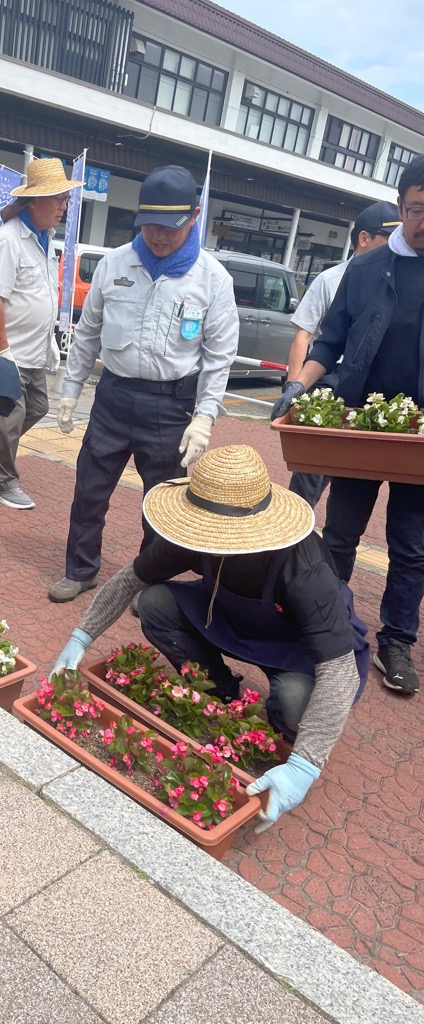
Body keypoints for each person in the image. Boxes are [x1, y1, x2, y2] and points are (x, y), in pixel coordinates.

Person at [52, 444, 369, 832]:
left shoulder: (304, 566)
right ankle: (221, 694)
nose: (212, 542)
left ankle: (279, 738)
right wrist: (81, 637)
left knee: (293, 704)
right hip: (228, 617)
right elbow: (129, 580)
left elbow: (340, 670)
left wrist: (305, 764)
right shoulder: (193, 533)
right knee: (154, 602)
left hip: (297, 646)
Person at [49, 165, 239, 603]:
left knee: (162, 505)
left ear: (194, 217)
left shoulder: (212, 280)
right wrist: (70, 389)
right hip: (113, 397)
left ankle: (146, 582)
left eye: (168, 227)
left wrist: (204, 418)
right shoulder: (116, 264)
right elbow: (88, 331)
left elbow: (218, 357)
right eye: (149, 225)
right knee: (89, 492)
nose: (157, 236)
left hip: (170, 407)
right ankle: (80, 570)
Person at [272, 155, 424, 697]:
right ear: (403, 203)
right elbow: (330, 341)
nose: (423, 221)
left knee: (412, 547)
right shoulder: (366, 270)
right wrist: (301, 385)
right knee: (340, 533)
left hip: (420, 439)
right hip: (359, 426)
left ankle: (397, 642)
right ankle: (327, 622)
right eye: (416, 209)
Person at [0, 158, 83, 510]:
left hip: (33, 349)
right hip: (10, 352)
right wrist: (2, 351)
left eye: (66, 199)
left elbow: (40, 295)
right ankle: (4, 482)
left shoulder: (43, 238)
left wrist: (49, 338)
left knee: (38, 406)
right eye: (59, 199)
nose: (64, 207)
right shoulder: (9, 240)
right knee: (11, 417)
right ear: (35, 201)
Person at [284, 200, 400, 506]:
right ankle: (291, 545)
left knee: (349, 483)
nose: (396, 244)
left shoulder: (397, 280)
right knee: (308, 480)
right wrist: (295, 387)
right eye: (389, 237)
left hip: (364, 390)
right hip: (324, 383)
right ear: (364, 238)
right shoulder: (330, 279)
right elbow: (304, 335)